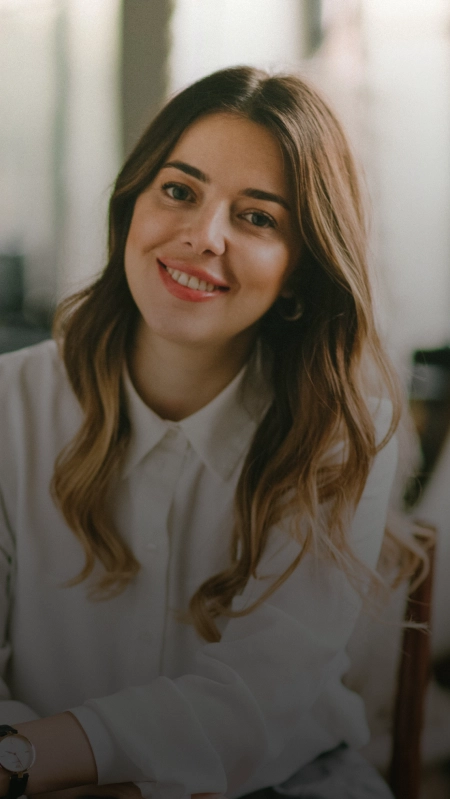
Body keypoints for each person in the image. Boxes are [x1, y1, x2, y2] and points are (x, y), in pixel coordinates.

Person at [0, 66, 406, 799]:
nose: (202, 236)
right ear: (131, 207)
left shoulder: (345, 434)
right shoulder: (10, 404)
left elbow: (257, 700)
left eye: (256, 217)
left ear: (299, 270)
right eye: (180, 190)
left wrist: (33, 756)